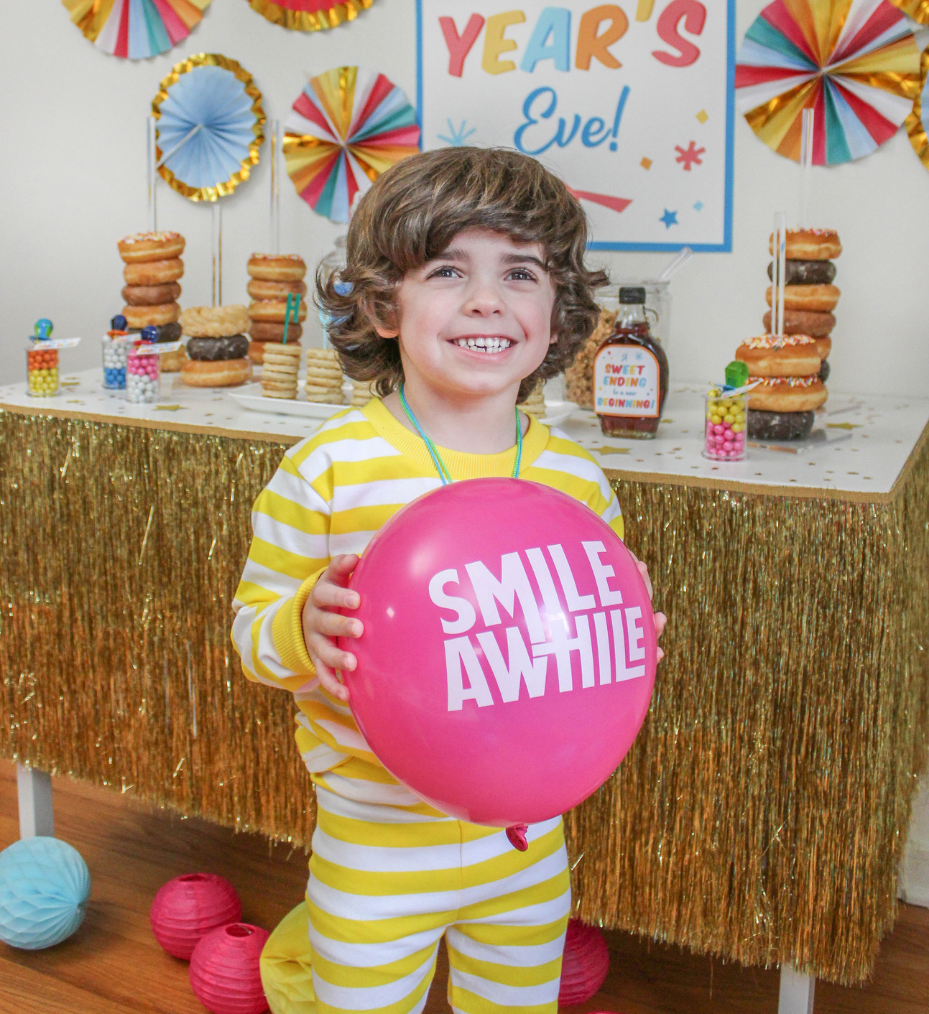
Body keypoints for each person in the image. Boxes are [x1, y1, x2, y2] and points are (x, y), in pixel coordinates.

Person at [232, 146, 666, 1014]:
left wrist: (627, 638)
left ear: (557, 309)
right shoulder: (327, 470)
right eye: (446, 269)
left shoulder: (578, 482)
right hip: (374, 844)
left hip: (526, 847)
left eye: (520, 272)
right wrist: (301, 625)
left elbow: (585, 657)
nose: (486, 299)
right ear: (382, 304)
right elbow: (251, 638)